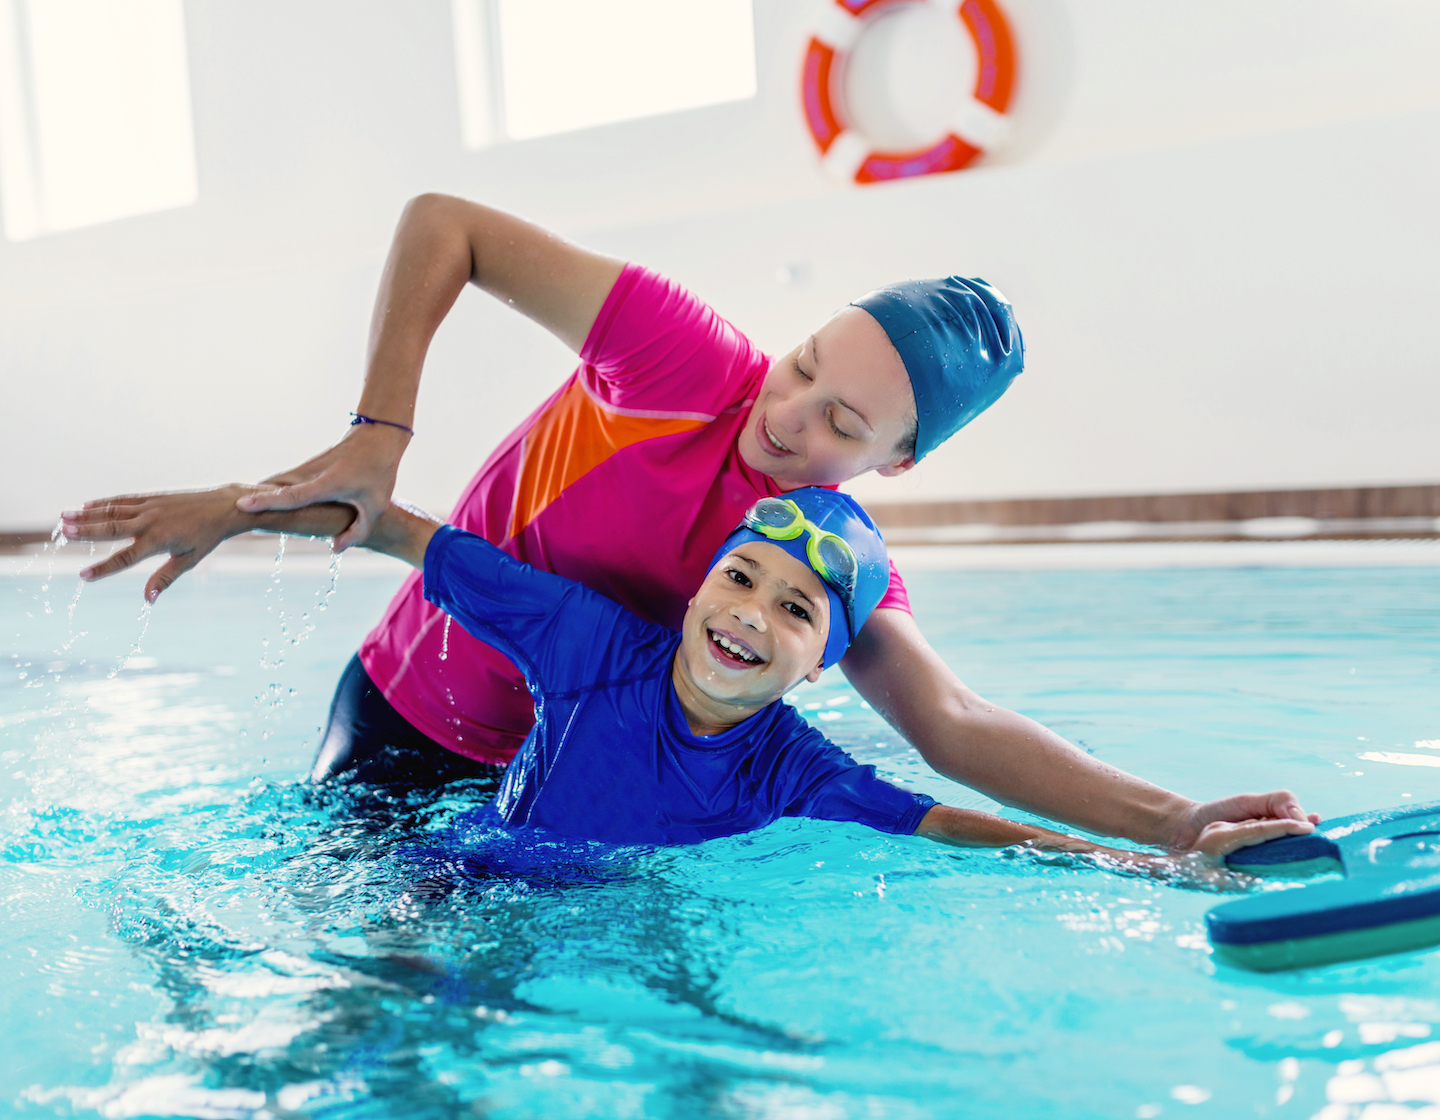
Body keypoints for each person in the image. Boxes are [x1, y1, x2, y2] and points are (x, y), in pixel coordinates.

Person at [61, 193, 1317, 853]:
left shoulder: (823, 562)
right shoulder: (677, 354)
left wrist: (1172, 819)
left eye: (843, 423)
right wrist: (366, 441)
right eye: (806, 363)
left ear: (898, 460)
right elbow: (444, 221)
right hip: (401, 716)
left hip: (546, 789)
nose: (790, 417)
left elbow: (954, 723)